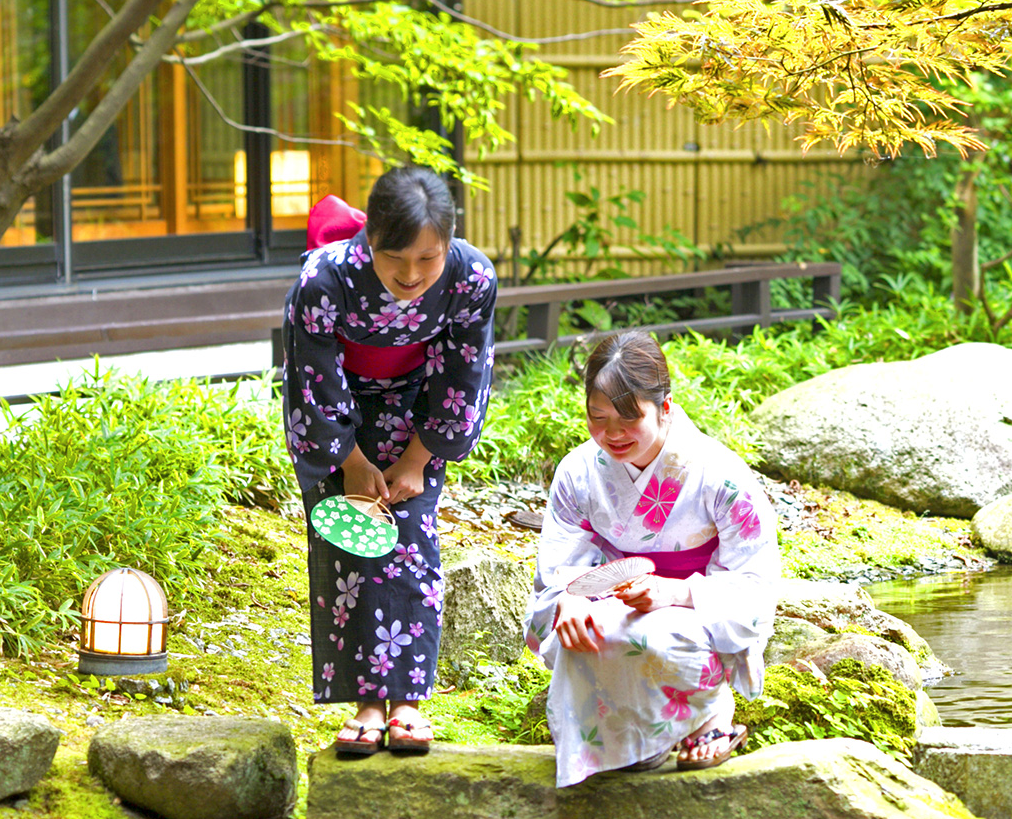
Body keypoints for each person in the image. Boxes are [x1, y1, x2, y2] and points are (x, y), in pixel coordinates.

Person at [282, 167, 496, 755]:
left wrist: (417, 458)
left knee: (410, 539)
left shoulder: (470, 277)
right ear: (369, 239)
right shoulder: (323, 280)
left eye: (428, 258)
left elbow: (464, 370)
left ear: (449, 242)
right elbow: (312, 374)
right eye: (394, 257)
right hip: (337, 412)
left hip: (420, 407)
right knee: (349, 542)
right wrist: (349, 458)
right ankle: (366, 704)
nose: (410, 275)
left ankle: (406, 700)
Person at [526, 331, 780, 787]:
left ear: (664, 408)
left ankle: (710, 716)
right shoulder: (579, 473)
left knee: (661, 637)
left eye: (629, 418)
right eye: (598, 418)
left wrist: (677, 592)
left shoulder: (720, 475)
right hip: (608, 597)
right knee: (583, 632)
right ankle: (621, 741)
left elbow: (754, 584)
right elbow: (560, 568)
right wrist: (572, 598)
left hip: (692, 605)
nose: (612, 434)